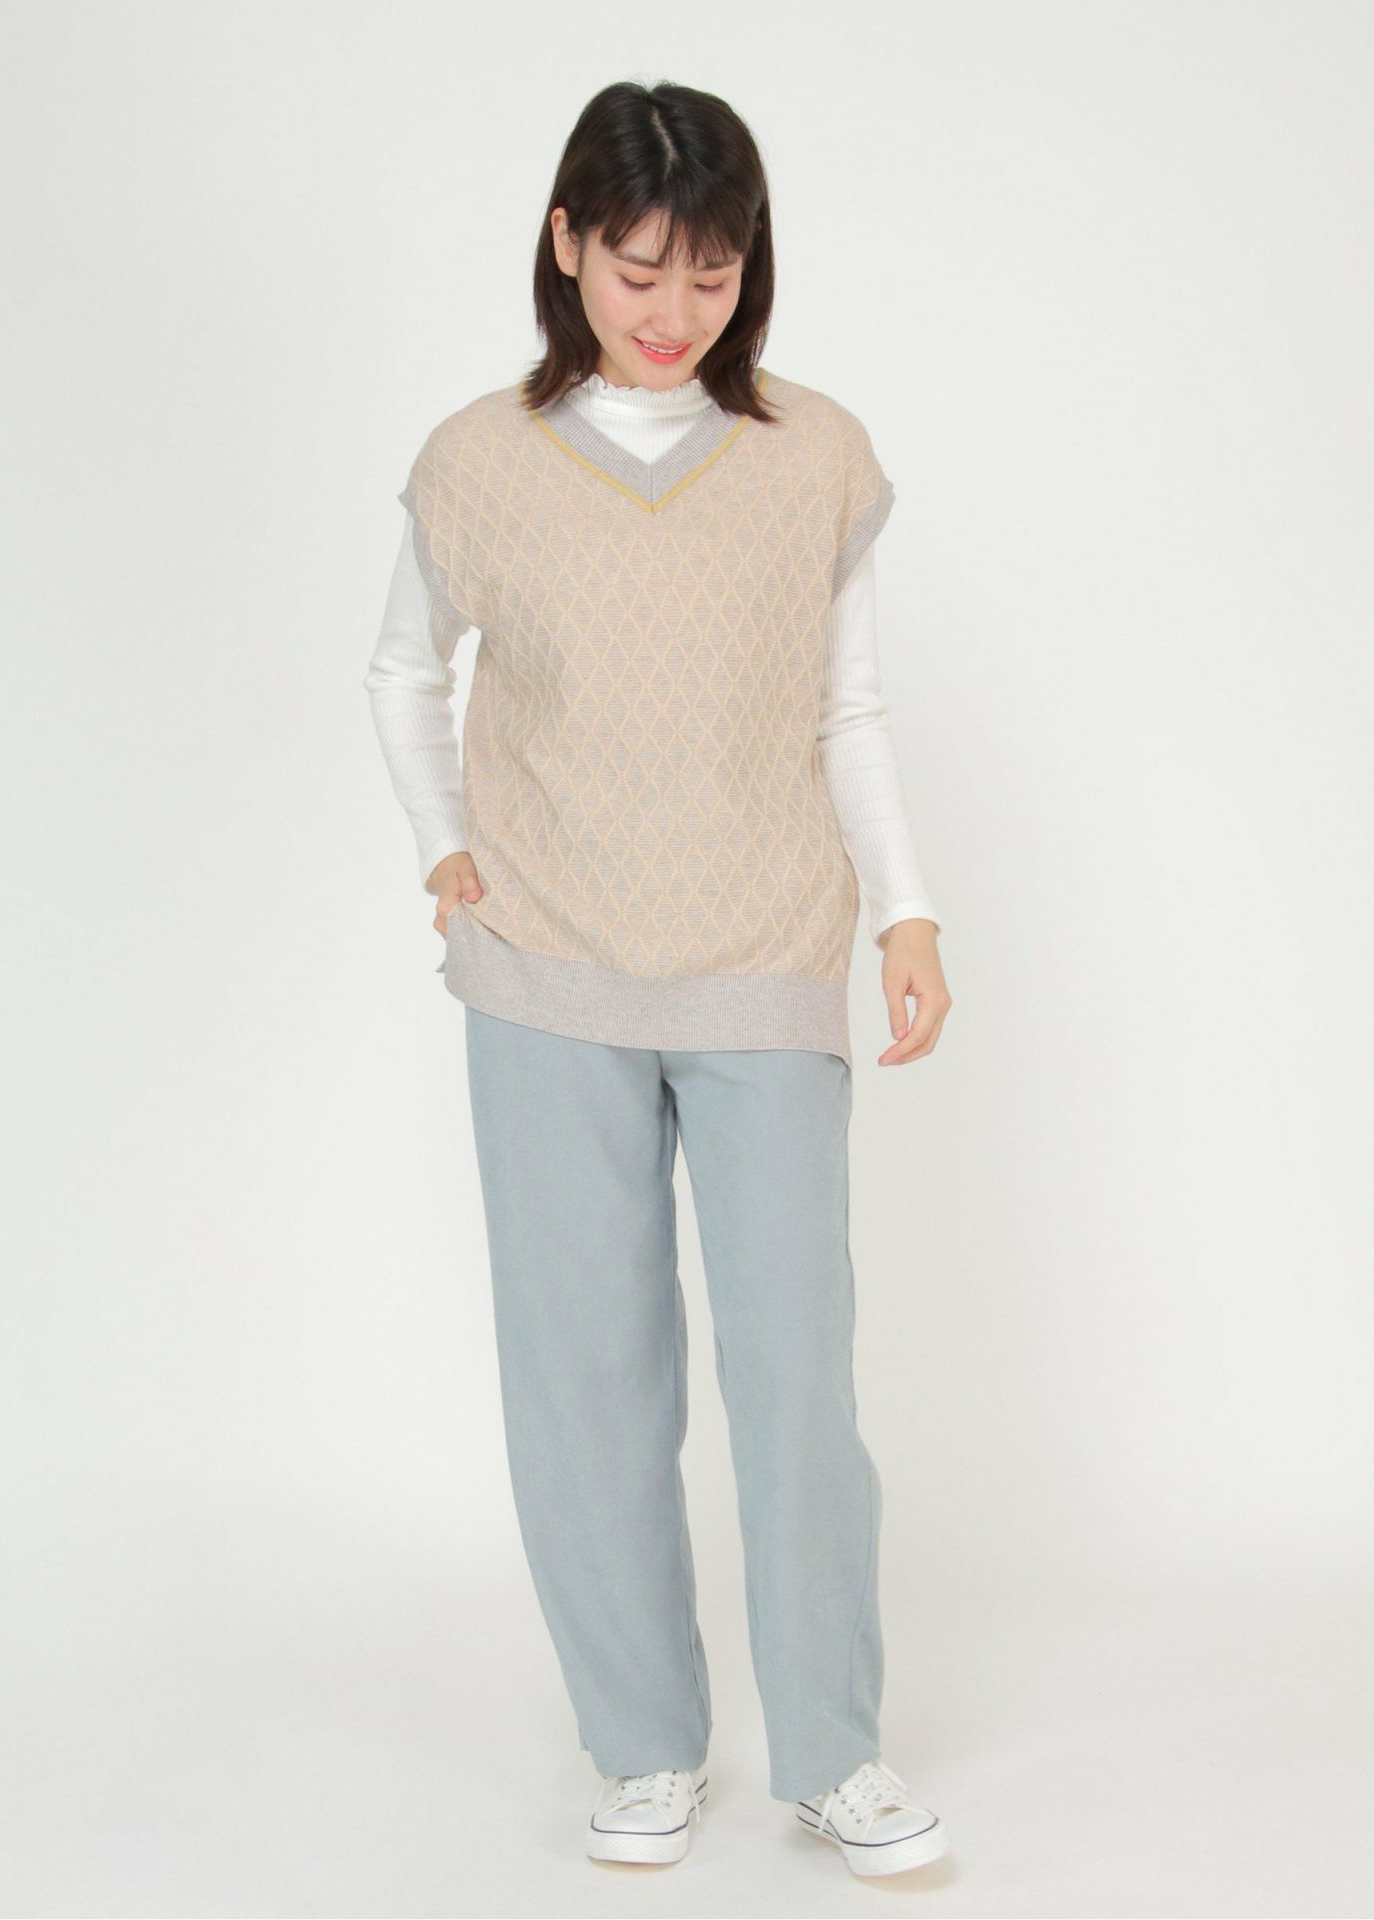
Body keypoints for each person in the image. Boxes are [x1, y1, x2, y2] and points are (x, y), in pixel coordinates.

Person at [363, 79, 953, 1880]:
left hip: (764, 948)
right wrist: (442, 845)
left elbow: (851, 709)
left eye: (712, 271)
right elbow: (401, 668)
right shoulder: (478, 460)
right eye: (638, 269)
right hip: (544, 961)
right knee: (585, 1379)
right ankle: (641, 1747)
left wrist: (908, 913)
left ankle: (834, 1752)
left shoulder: (812, 454)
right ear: (565, 246)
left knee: (796, 1377)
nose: (674, 309)